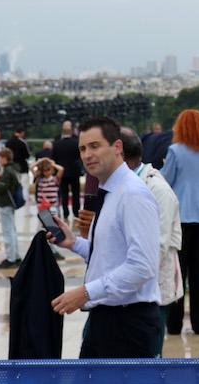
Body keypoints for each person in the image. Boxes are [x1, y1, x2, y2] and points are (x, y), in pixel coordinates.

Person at [47, 117, 160, 358]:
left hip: (129, 324)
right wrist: (74, 243)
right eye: (83, 148)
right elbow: (112, 254)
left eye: (95, 146)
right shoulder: (111, 191)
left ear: (117, 147)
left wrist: (85, 292)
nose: (87, 155)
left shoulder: (133, 194)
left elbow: (142, 266)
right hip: (107, 319)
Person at [120, 128, 182, 356]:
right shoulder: (123, 186)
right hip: (131, 289)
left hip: (149, 289)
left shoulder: (156, 189)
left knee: (149, 355)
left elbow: (159, 246)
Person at [161, 109, 199, 336]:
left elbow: (166, 179)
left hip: (181, 215)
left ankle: (174, 325)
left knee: (178, 272)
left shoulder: (175, 150)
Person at [0, 148, 23, 268]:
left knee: (7, 231)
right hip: (11, 203)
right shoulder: (14, 168)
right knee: (12, 230)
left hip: (5, 203)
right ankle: (16, 256)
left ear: (5, 158)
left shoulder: (7, 170)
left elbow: (3, 188)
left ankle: (10, 258)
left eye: (0, 157)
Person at [52, 121, 83, 219]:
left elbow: (54, 159)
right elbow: (80, 157)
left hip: (62, 173)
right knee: (76, 194)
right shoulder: (76, 143)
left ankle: (65, 213)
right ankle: (76, 212)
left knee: (64, 194)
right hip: (74, 172)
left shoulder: (56, 144)